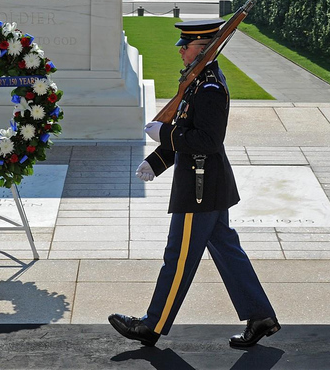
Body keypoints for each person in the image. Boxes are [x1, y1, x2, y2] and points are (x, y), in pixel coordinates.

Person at [108, 18, 280, 349]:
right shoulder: (198, 83)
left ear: (202, 49)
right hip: (209, 184)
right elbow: (189, 130)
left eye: (185, 47)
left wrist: (166, 133)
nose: (181, 52)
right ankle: (261, 317)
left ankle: (152, 325)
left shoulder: (210, 88)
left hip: (200, 189)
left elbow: (206, 140)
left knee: (178, 256)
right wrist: (157, 161)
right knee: (228, 251)